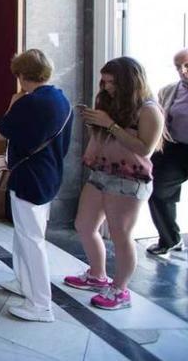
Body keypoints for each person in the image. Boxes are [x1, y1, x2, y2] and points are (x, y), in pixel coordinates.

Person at [65, 57, 164, 310]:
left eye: (112, 82)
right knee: (84, 224)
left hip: (129, 178)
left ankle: (120, 289)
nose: (107, 87)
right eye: (104, 81)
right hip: (101, 172)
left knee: (120, 234)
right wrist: (95, 128)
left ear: (130, 82)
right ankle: (97, 274)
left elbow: (145, 148)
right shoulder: (110, 104)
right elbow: (105, 138)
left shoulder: (149, 110)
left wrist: (110, 124)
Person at [0, 50, 72, 322]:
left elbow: (1, 130)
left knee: (32, 240)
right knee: (24, 235)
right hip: (48, 173)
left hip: (29, 177)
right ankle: (23, 283)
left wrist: (13, 105)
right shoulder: (61, 98)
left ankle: (40, 303)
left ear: (22, 75)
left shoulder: (30, 103)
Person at [146, 48, 188, 257]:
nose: (182, 71)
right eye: (178, 66)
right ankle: (170, 238)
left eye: (186, 65)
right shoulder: (169, 90)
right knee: (158, 191)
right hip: (176, 148)